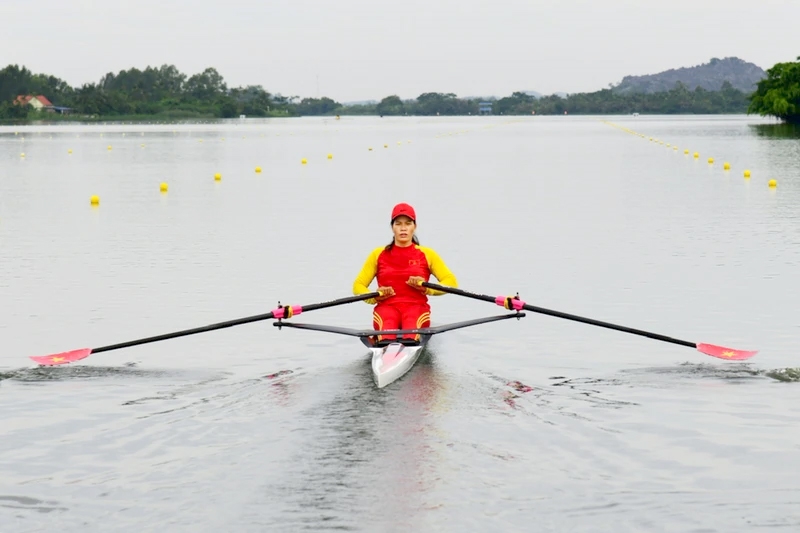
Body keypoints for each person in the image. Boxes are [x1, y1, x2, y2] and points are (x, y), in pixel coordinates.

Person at [353, 203, 457, 346]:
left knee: (411, 326)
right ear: (392, 227)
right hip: (386, 307)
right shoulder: (378, 255)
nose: (403, 228)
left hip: (416, 307)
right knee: (387, 323)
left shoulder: (427, 254)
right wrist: (375, 296)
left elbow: (451, 282)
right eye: (398, 223)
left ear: (414, 226)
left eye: (408, 223)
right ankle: (385, 347)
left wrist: (427, 288)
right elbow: (358, 285)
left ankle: (406, 342)